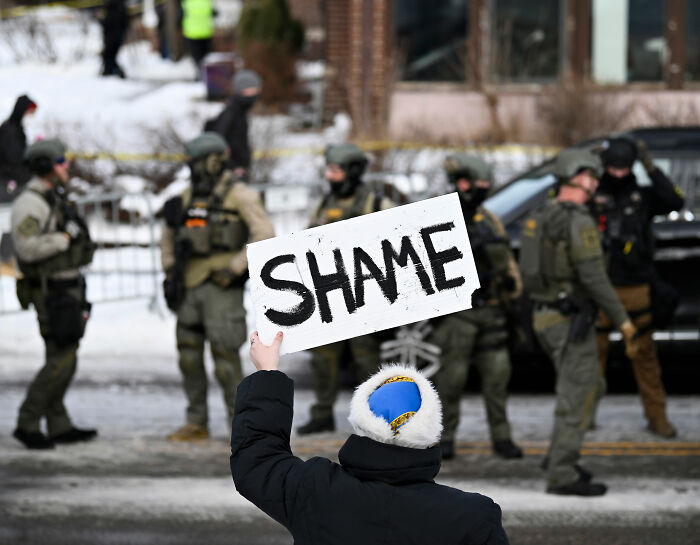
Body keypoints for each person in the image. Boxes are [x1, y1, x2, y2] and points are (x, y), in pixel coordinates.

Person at [231, 330, 511, 545]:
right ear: (431, 434)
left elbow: (257, 459)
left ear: (362, 424)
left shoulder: (315, 491)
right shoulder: (475, 517)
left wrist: (268, 373)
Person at [519, 149, 640, 496]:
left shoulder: (541, 214)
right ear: (581, 176)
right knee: (577, 395)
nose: (595, 183)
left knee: (591, 388)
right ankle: (561, 474)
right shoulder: (577, 220)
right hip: (569, 320)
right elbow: (594, 278)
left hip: (545, 317)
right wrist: (624, 322)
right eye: (592, 176)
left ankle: (560, 454)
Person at [160, 132, 274, 441]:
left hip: (221, 286)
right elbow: (168, 235)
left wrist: (235, 267)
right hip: (189, 284)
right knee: (188, 355)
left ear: (212, 162)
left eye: (195, 162)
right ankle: (196, 421)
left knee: (225, 359)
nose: (191, 168)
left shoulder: (239, 194)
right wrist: (169, 269)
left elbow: (264, 233)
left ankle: (241, 428)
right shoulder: (186, 197)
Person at [296, 143, 394, 435]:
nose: (330, 176)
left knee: (366, 359)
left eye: (336, 170)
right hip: (330, 295)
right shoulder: (324, 203)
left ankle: (376, 416)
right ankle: (322, 413)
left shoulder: (377, 204)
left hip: (363, 294)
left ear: (351, 172)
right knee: (323, 359)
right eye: (328, 170)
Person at [590, 137, 685, 438]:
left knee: (645, 358)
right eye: (612, 168)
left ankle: (657, 418)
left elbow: (674, 201)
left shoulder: (643, 195)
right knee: (591, 359)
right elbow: (560, 198)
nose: (618, 174)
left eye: (624, 168)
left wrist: (650, 166)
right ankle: (582, 419)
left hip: (637, 288)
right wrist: (590, 165)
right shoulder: (592, 193)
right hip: (600, 289)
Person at [430, 154, 523, 460]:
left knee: (498, 377)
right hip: (458, 314)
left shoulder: (488, 218)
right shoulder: (438, 216)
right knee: (451, 380)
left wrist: (513, 290)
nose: (483, 189)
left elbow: (507, 260)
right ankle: (445, 438)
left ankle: (502, 436)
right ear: (463, 183)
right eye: (479, 184)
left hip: (492, 310)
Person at [10, 139, 96, 449]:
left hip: (67, 289)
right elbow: (27, 248)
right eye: (60, 160)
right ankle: (27, 421)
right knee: (61, 359)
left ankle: (58, 422)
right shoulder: (31, 204)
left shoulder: (53, 197)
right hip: (52, 292)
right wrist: (63, 238)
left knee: (65, 358)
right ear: (45, 165)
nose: (66, 166)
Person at [205, 69, 263, 176]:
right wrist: (232, 167)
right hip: (232, 174)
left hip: (238, 171)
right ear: (244, 89)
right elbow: (218, 142)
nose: (258, 92)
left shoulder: (240, 111)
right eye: (254, 88)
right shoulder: (232, 112)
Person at [0, 94, 37, 200]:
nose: (31, 116)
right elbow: (12, 162)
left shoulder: (17, 130)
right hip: (7, 183)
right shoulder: (10, 131)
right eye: (30, 113)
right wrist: (30, 176)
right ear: (22, 111)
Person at [181, 0, 215, 79]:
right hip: (205, 32)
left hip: (192, 33)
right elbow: (214, 13)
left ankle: (199, 71)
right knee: (204, 54)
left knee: (196, 55)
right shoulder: (206, 2)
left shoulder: (187, 2)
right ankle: (205, 72)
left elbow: (181, 15)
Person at [99, 0, 129, 78]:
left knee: (109, 55)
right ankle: (110, 71)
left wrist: (102, 21)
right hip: (116, 33)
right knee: (110, 55)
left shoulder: (114, 6)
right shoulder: (119, 5)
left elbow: (109, 21)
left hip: (112, 34)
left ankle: (110, 72)